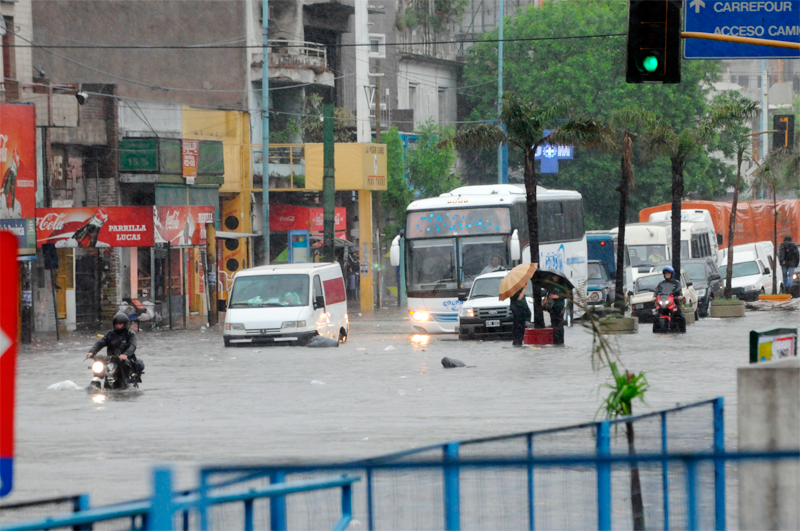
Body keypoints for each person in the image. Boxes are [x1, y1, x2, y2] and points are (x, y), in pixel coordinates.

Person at [86, 313, 139, 387]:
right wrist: (92, 352)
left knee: (124, 365)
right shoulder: (110, 334)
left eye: (120, 324)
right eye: (117, 324)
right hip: (111, 358)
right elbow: (100, 343)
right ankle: (95, 381)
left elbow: (132, 346)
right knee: (98, 360)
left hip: (126, 359)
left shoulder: (130, 334)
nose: (118, 326)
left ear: (125, 324)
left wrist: (125, 354)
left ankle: (126, 384)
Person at [545, 275, 569, 345]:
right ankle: (555, 340)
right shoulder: (550, 285)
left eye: (556, 277)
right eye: (553, 277)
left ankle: (560, 340)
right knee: (553, 324)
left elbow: (567, 294)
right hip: (552, 307)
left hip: (560, 306)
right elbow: (548, 293)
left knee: (560, 323)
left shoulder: (562, 285)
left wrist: (558, 296)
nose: (554, 278)